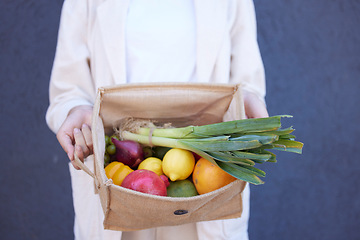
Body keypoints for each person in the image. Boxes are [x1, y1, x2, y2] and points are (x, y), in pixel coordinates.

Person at [46, 0, 268, 239]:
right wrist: (76, 109)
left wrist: (247, 102)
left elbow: (246, 81)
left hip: (205, 183)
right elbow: (68, 89)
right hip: (117, 183)